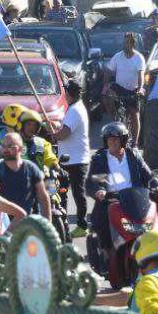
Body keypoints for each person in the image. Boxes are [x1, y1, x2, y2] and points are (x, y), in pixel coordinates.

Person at [87, 123, 158, 251]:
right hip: (111, 203)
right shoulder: (100, 159)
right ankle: (107, 257)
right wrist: (99, 190)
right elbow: (94, 182)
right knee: (102, 228)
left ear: (123, 140)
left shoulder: (133, 155)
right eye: (109, 139)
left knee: (151, 227)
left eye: (116, 138)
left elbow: (148, 175)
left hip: (135, 201)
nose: (112, 141)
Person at [55, 80, 92, 237]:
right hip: (69, 159)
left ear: (69, 94)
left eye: (66, 93)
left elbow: (65, 134)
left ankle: (82, 226)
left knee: (77, 193)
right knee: (62, 191)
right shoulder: (75, 108)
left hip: (76, 160)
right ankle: (62, 222)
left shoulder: (75, 110)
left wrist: (52, 136)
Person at [0, 133, 52, 218]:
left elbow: (43, 196)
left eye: (10, 146)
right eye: (3, 146)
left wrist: (47, 223)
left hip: (28, 222)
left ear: (21, 149)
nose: (6, 150)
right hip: (3, 223)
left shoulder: (31, 168)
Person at [0, 104, 59, 174]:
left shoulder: (41, 143)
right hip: (7, 180)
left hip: (38, 180)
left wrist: (55, 166)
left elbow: (50, 159)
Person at [104, 32, 145, 140]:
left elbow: (141, 75)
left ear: (133, 44)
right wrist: (106, 85)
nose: (126, 45)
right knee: (107, 97)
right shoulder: (118, 56)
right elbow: (108, 70)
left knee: (134, 114)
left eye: (128, 43)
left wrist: (140, 89)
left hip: (133, 89)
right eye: (124, 42)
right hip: (119, 88)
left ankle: (135, 142)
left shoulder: (138, 58)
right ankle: (115, 118)